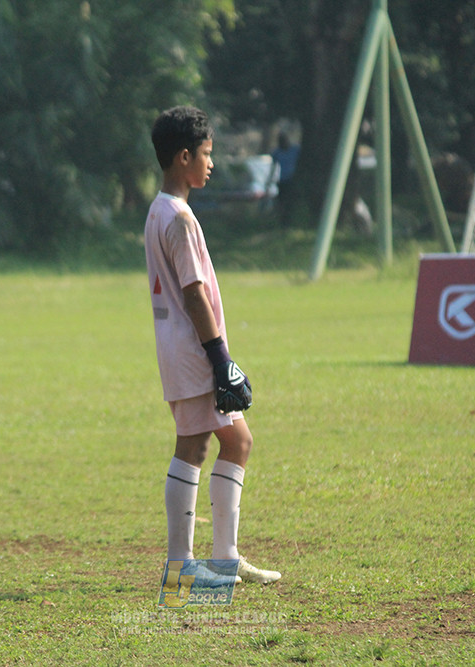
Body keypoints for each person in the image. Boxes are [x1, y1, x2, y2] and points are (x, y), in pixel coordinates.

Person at [145, 105, 281, 584]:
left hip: (187, 348)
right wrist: (220, 359)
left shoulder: (163, 210)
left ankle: (224, 556)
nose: (211, 163)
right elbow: (193, 291)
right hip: (194, 350)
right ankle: (180, 566)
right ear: (183, 157)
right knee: (193, 446)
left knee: (237, 441)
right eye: (206, 154)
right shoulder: (178, 218)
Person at [270, 131, 300, 226]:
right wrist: (270, 180)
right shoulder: (277, 152)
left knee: (291, 201)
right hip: (282, 181)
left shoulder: (295, 150)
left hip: (293, 180)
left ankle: (291, 219)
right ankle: (283, 221)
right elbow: (273, 167)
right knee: (281, 201)